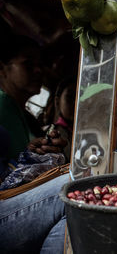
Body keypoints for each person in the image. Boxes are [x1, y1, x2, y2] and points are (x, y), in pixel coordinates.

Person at [0, 35, 69, 253]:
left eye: (41, 65)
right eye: (28, 64)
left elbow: (14, 161)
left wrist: (36, 155)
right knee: (75, 189)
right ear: (3, 69)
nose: (38, 71)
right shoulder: (2, 105)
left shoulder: (23, 113)